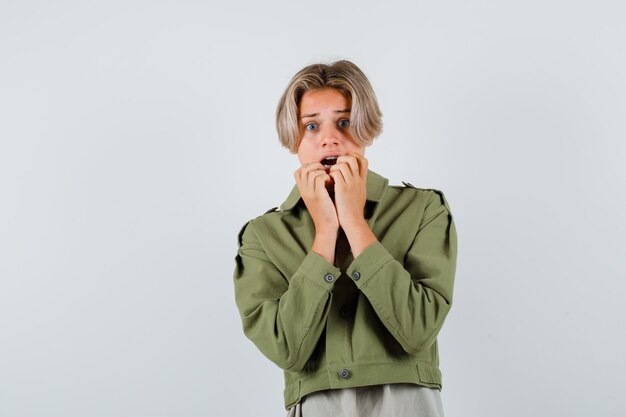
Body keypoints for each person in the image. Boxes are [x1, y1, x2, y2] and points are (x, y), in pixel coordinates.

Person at [233, 60, 458, 416]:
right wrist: (324, 233)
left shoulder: (423, 209)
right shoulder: (263, 236)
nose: (329, 138)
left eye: (344, 122)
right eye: (311, 126)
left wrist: (354, 222)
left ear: (366, 129)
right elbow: (287, 350)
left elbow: (419, 330)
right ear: (294, 139)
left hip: (407, 404)